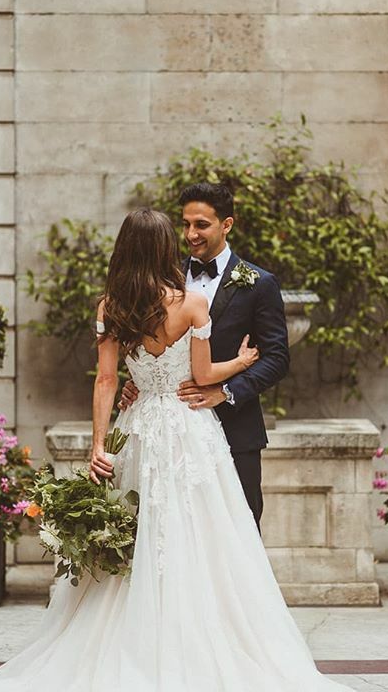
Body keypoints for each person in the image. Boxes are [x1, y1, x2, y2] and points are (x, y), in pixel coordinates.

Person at [0, 207, 354, 692]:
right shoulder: (193, 304)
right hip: (189, 431)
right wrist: (242, 360)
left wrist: (99, 445)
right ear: (166, 249)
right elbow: (202, 378)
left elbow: (105, 381)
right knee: (204, 532)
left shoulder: (110, 308)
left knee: (137, 530)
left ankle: (130, 634)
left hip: (138, 429)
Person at [118, 182, 290, 530]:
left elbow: (277, 357)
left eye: (201, 225)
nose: (191, 234)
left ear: (227, 224)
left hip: (236, 428)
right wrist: (136, 382)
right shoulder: (164, 280)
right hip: (170, 437)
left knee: (237, 535)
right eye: (185, 225)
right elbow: (147, 340)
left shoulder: (260, 283)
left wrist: (224, 393)